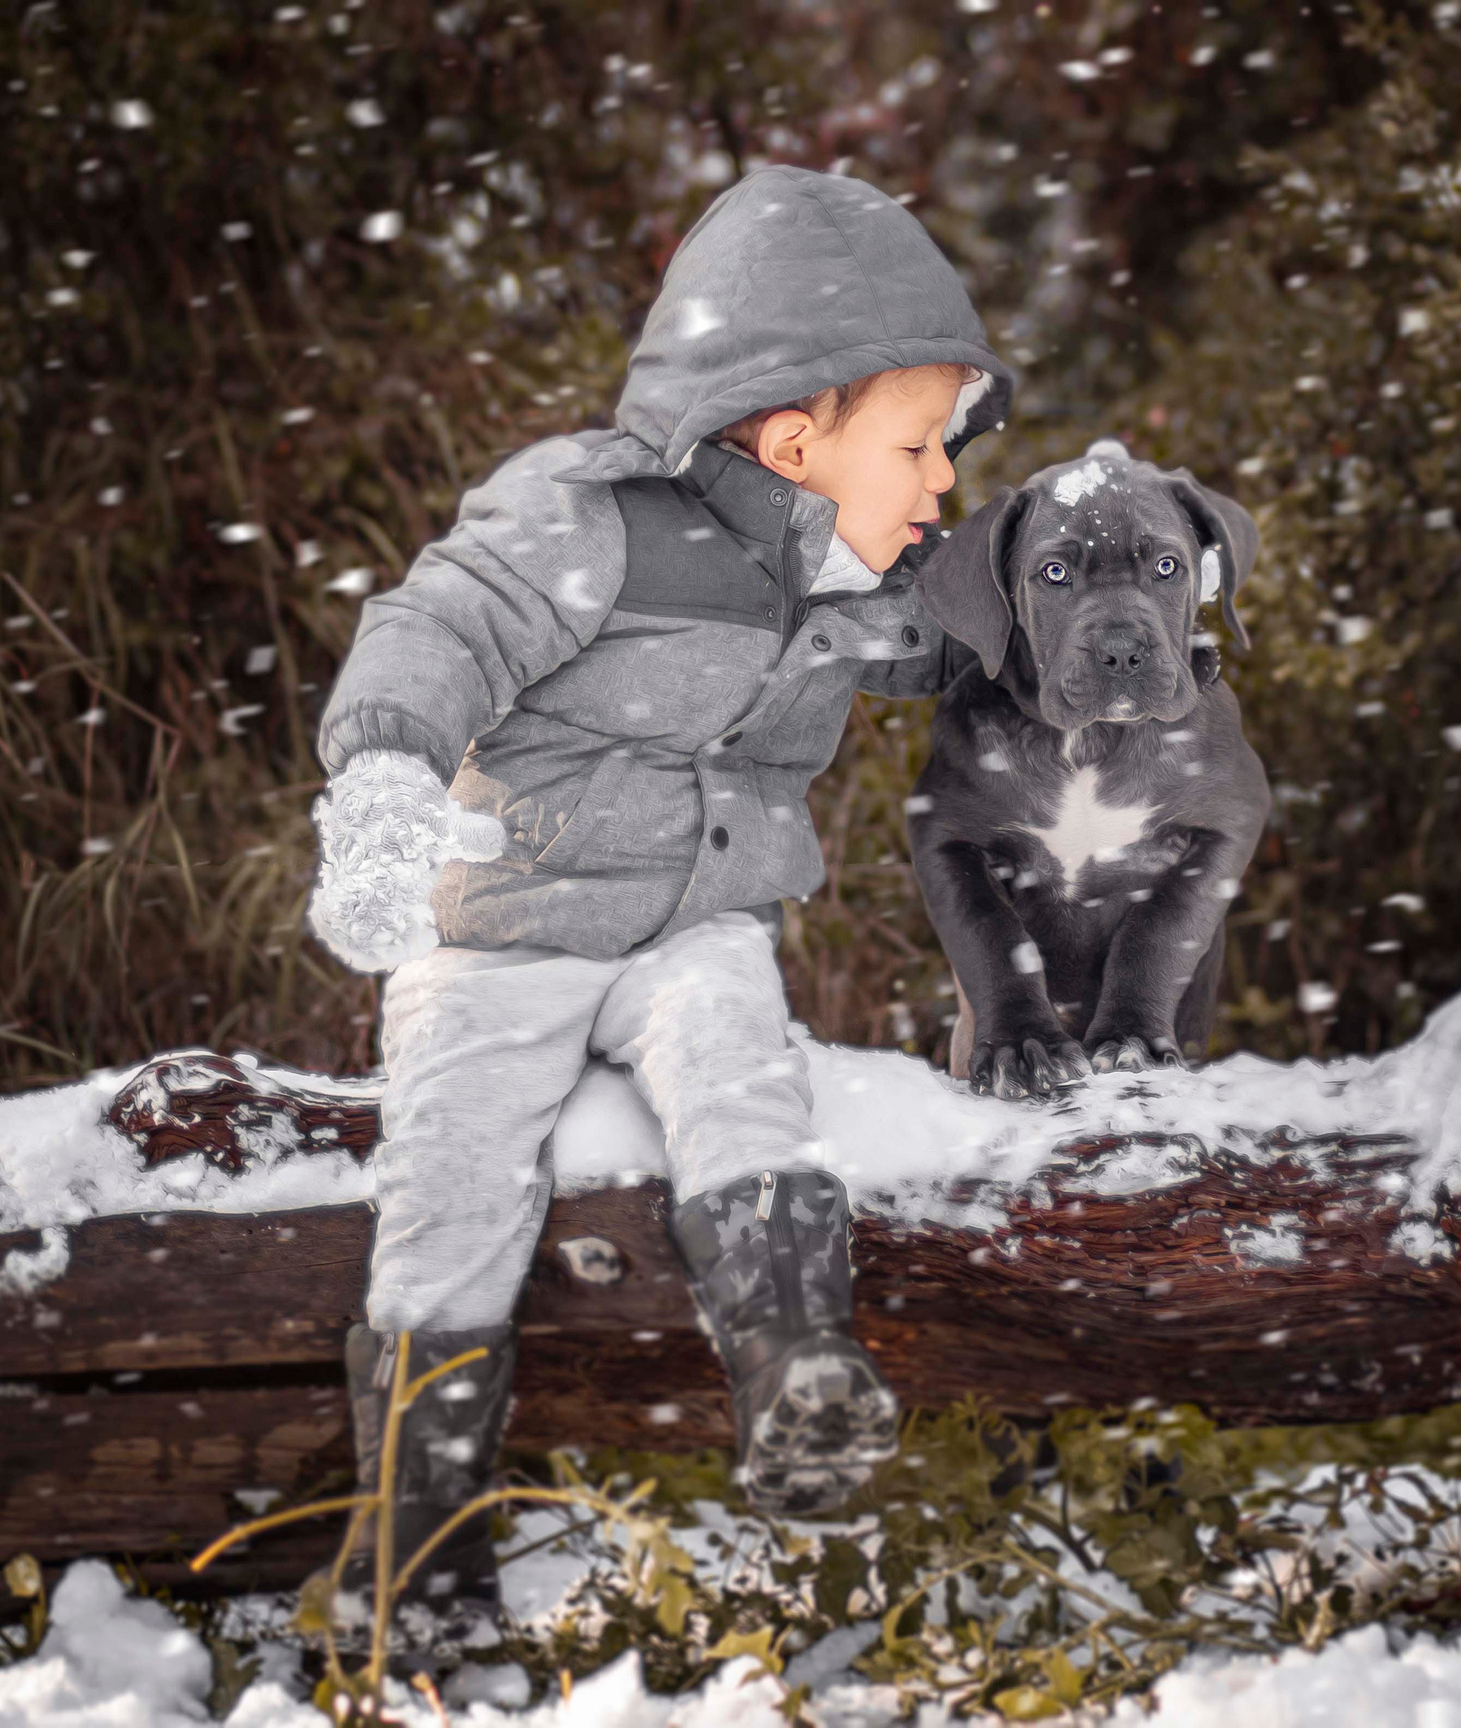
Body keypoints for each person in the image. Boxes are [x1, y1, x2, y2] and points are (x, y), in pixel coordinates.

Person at [304, 164, 1012, 1652]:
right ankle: (413, 1570)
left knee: (741, 1059)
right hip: (503, 927)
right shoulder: (592, 517)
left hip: (693, 927)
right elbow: (440, 628)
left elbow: (966, 649)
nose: (942, 478)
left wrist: (1069, 624)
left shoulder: (856, 568)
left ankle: (797, 1371)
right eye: (919, 444)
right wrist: (382, 790)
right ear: (794, 433)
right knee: (451, 1188)